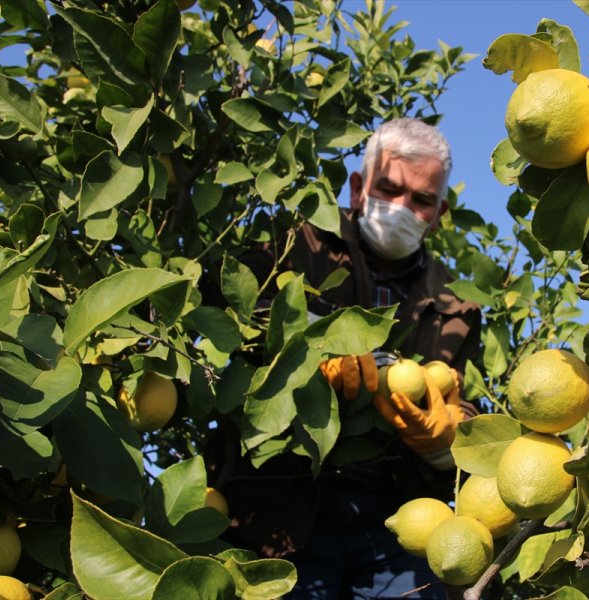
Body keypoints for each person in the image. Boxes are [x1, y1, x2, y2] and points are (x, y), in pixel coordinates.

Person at [206, 118, 482, 599]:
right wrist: (310, 351)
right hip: (282, 502)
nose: (401, 208)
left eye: (420, 200)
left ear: (438, 213)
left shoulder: (457, 307)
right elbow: (232, 314)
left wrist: (446, 441)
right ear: (359, 187)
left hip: (396, 517)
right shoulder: (299, 244)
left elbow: (467, 406)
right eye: (389, 189)